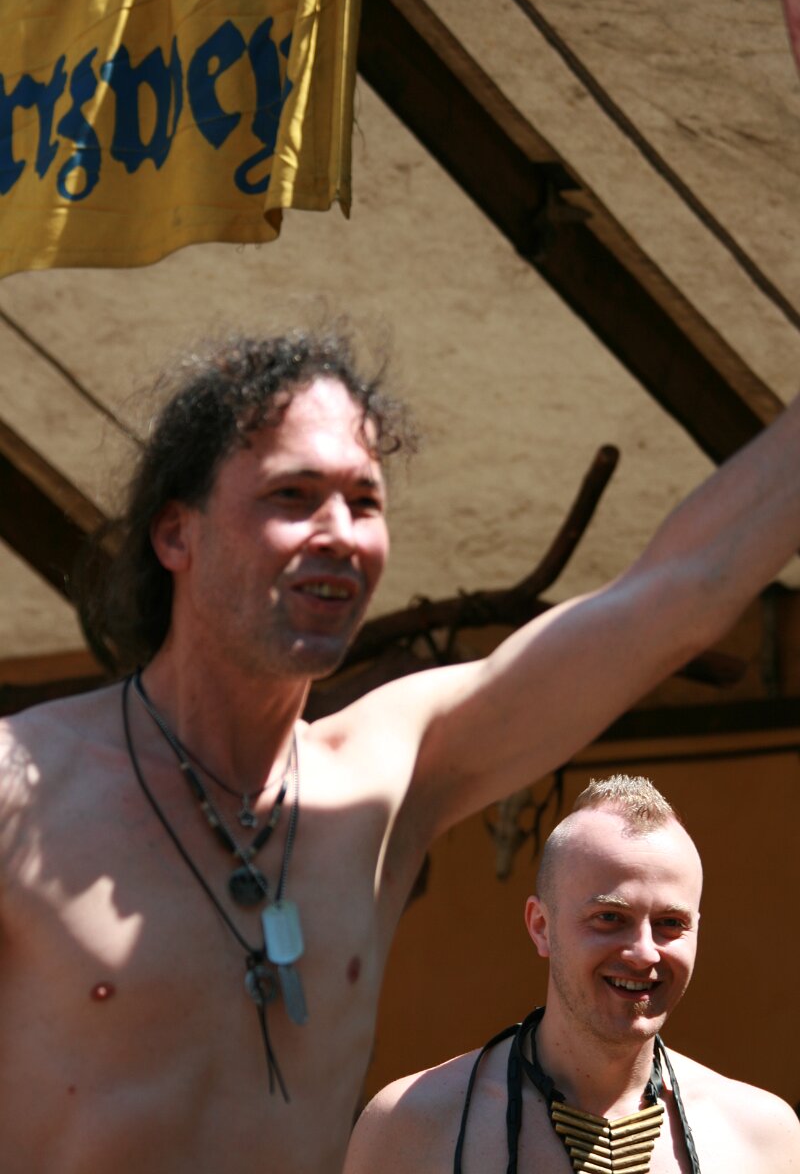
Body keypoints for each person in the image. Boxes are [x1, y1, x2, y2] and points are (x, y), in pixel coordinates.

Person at [1, 329, 799, 1174]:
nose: (339, 532)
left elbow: (679, 593)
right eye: (293, 494)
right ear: (175, 533)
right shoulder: (25, 788)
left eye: (364, 501)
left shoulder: (384, 781)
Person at [345, 775, 800, 1173]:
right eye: (609, 918)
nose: (644, 952)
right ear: (541, 927)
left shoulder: (761, 1138)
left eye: (670, 923)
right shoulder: (412, 1126)